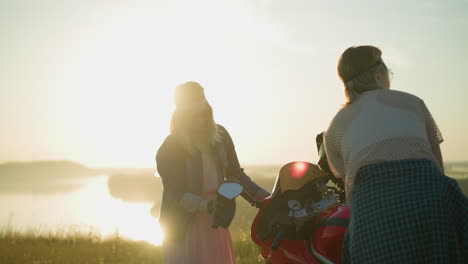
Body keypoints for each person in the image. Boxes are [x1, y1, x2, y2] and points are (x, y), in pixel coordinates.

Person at [324, 45, 467, 263]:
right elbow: (437, 166)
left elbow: (345, 177)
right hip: (430, 198)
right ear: (380, 75)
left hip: (373, 210)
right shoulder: (413, 103)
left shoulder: (336, 125)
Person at [156, 81, 270, 264]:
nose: (201, 120)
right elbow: (175, 193)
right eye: (194, 115)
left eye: (204, 113)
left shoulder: (221, 136)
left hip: (216, 221)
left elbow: (237, 175)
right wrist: (208, 206)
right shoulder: (170, 148)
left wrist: (264, 198)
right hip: (184, 225)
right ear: (182, 116)